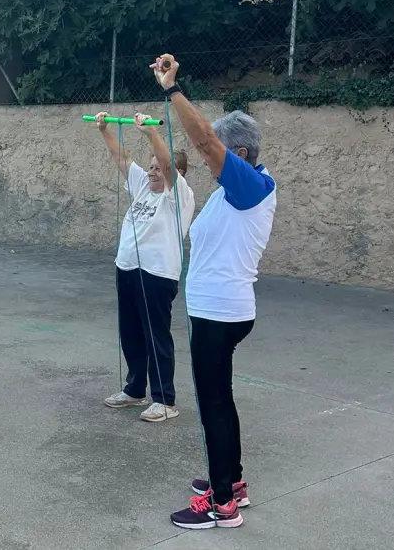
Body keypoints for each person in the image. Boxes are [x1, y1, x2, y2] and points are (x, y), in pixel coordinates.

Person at [148, 54, 277, 529]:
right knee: (219, 398)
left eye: (219, 152)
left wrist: (171, 90)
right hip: (218, 310)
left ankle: (222, 505)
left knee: (213, 404)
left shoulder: (248, 185)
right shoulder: (234, 190)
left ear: (238, 154)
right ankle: (232, 481)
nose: (208, 158)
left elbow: (202, 138)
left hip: (220, 313)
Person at [96, 112, 195, 423]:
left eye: (158, 168)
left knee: (156, 336)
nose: (153, 172)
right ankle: (135, 389)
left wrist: (151, 133)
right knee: (131, 333)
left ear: (176, 172)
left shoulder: (178, 194)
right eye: (150, 166)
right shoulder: (142, 185)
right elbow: (122, 159)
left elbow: (167, 166)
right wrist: (104, 130)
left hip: (157, 273)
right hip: (127, 267)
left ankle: (165, 400)